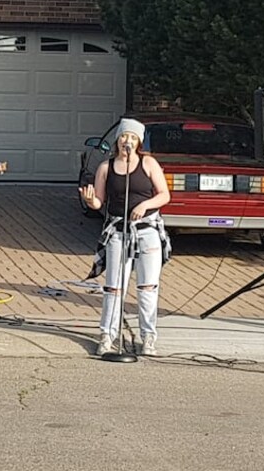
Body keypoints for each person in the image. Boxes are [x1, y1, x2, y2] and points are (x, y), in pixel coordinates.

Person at [80, 118, 171, 357]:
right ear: (117, 140)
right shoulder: (106, 167)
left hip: (147, 231)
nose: (126, 142)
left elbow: (164, 195)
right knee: (114, 287)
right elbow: (100, 201)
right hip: (118, 232)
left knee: (147, 286)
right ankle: (107, 335)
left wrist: (146, 205)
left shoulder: (149, 163)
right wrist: (91, 201)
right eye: (123, 137)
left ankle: (148, 337)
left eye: (132, 138)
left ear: (138, 141)